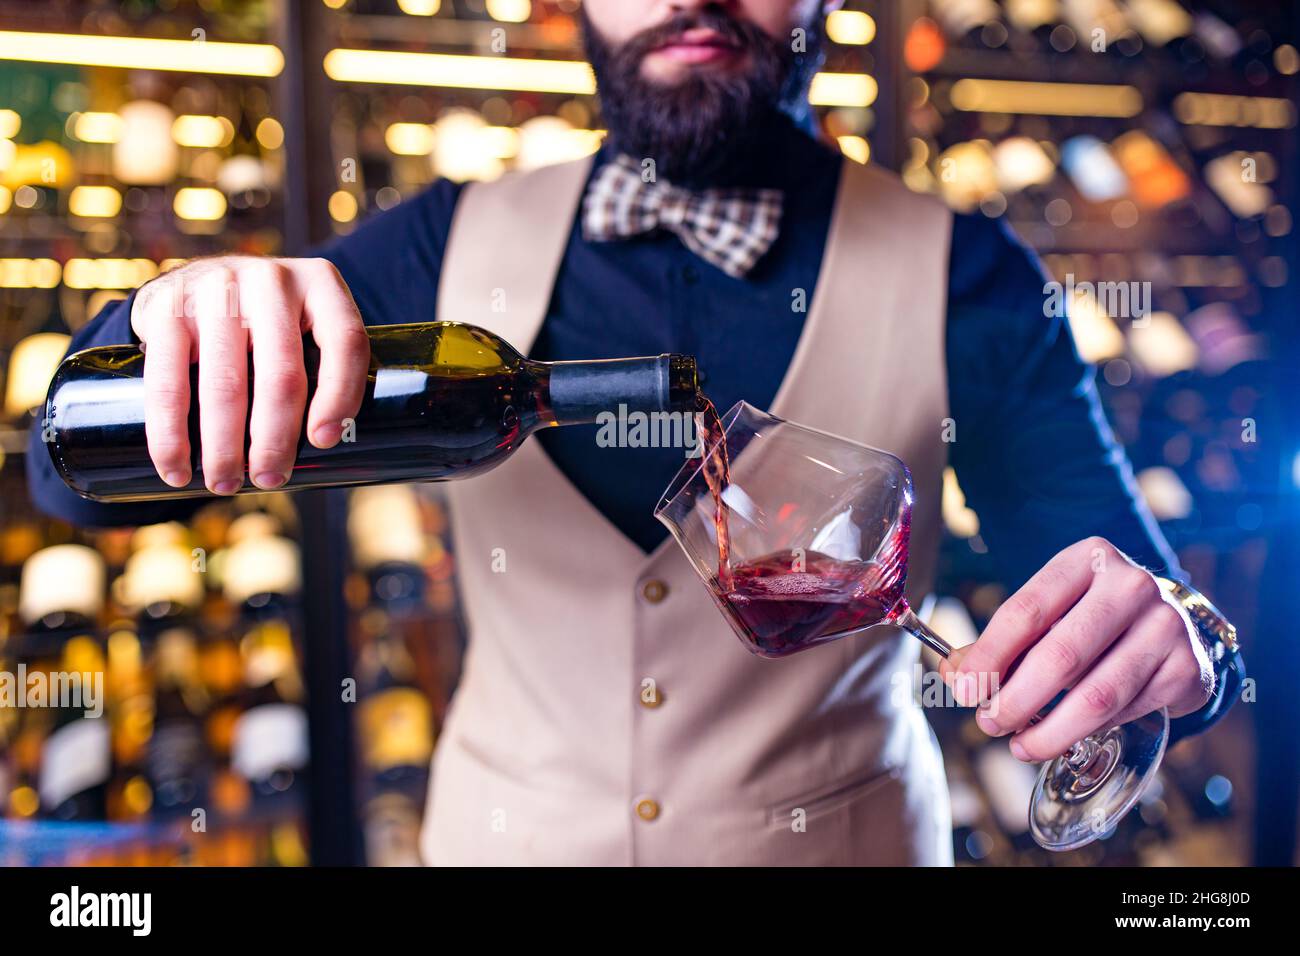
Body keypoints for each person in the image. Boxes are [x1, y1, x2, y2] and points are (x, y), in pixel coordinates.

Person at [29, 0, 1243, 865]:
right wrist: (169, 326)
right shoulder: (425, 245)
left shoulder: (973, 271)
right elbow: (70, 484)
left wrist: (1179, 639)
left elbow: (1137, 599)